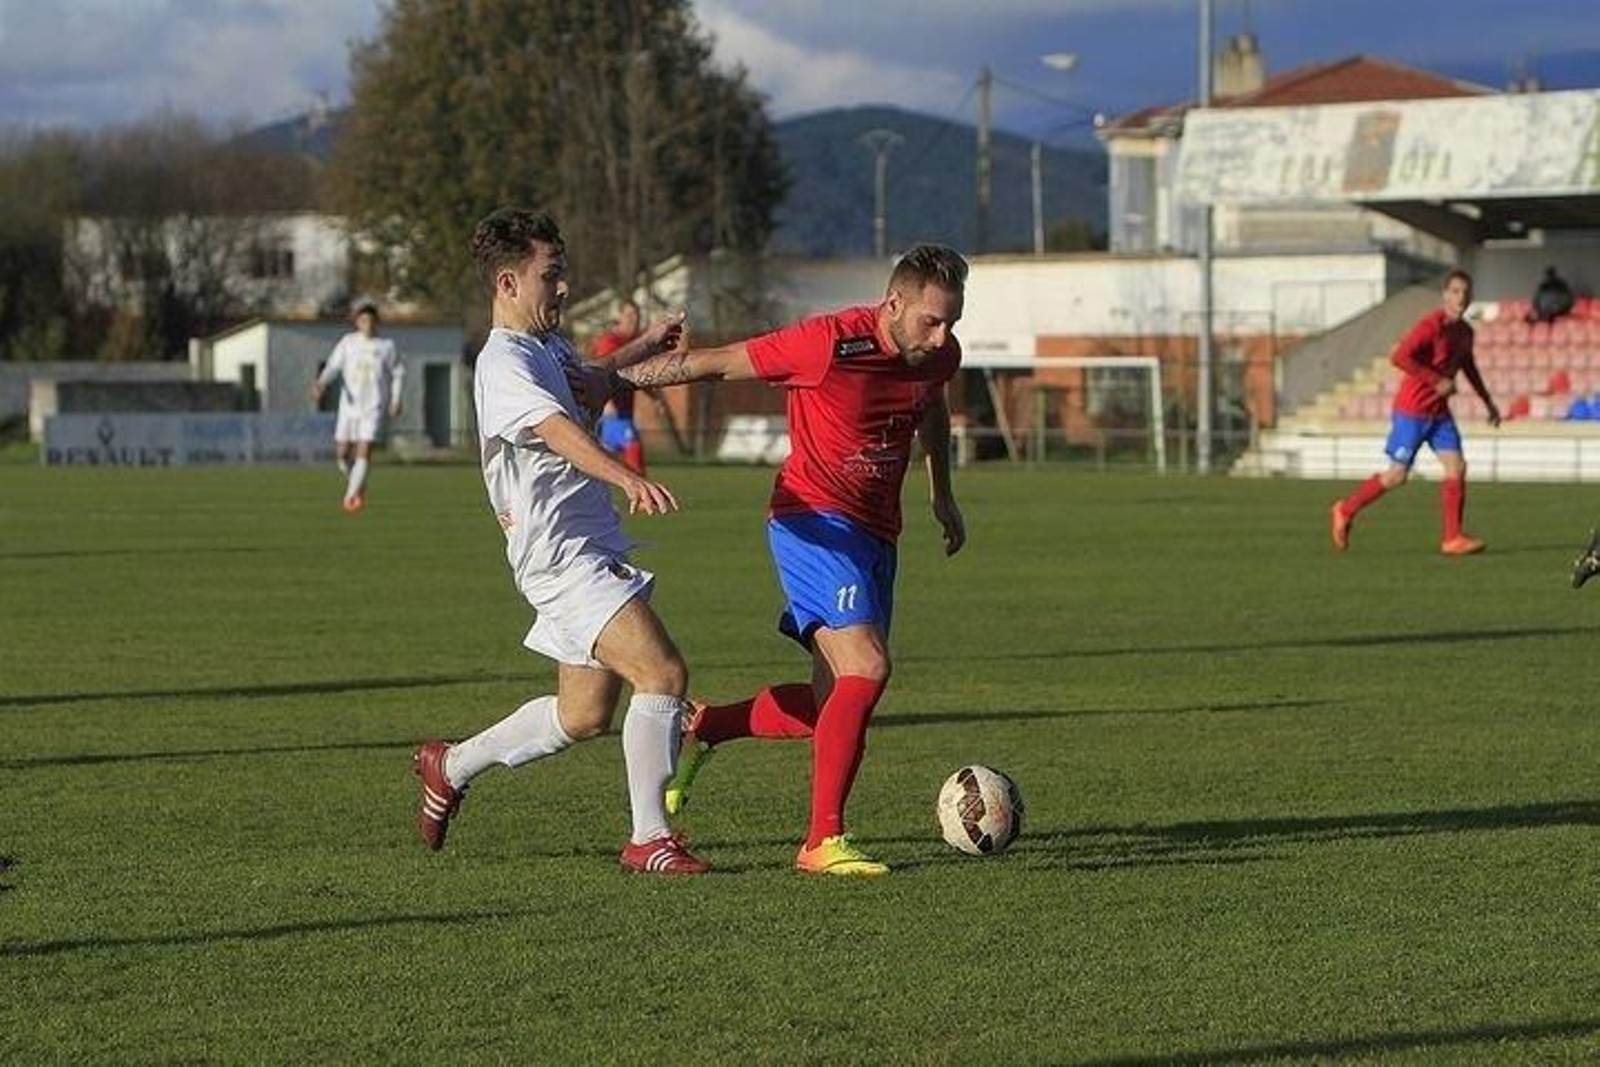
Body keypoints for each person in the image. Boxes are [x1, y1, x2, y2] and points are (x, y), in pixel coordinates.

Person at [594, 244, 969, 876]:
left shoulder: (939, 355)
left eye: (952, 322)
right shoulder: (826, 343)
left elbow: (931, 409)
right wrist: (608, 377)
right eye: (931, 321)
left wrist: (942, 493)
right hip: (812, 521)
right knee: (867, 666)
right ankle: (822, 841)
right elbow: (712, 365)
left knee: (835, 706)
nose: (942, 337)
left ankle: (708, 726)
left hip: (878, 532)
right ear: (894, 303)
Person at [411, 207, 707, 875]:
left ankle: (449, 765)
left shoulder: (547, 348)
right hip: (560, 557)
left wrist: (641, 346)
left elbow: (591, 388)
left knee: (582, 714)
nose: (565, 287)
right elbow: (555, 430)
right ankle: (649, 837)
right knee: (662, 674)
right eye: (553, 275)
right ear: (510, 283)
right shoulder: (502, 363)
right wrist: (627, 475)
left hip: (585, 546)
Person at [1330, 269, 1501, 555]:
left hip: (1439, 414)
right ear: (1445, 295)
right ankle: (1345, 510)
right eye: (1456, 291)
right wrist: (1436, 380)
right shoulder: (1431, 326)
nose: (1462, 297)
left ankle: (1452, 538)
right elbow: (1399, 357)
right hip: (1413, 411)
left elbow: (1468, 367)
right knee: (1397, 475)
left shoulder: (1465, 332)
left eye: (1466, 292)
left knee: (1456, 467)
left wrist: (1488, 402)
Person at [311, 301, 405, 513]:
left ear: (377, 323)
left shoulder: (386, 346)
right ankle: (357, 481)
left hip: (373, 407)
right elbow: (333, 366)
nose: (368, 325)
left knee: (364, 451)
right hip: (349, 408)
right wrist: (321, 383)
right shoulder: (348, 343)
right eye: (363, 320)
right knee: (343, 455)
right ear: (357, 323)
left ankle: (351, 497)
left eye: (371, 321)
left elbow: (398, 373)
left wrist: (396, 399)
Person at [588, 299, 649, 473]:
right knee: (633, 450)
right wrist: (607, 403)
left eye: (637, 315)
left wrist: (654, 397)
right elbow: (599, 373)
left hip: (624, 414)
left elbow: (639, 375)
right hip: (611, 414)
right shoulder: (610, 342)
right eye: (629, 315)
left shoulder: (634, 343)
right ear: (619, 317)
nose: (634, 319)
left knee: (607, 464)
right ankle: (643, 497)